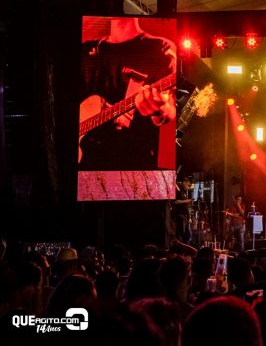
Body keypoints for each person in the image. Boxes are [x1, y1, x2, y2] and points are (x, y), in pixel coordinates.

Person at [79, 16, 176, 171]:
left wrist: (161, 108)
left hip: (133, 169)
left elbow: (171, 107)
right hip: (84, 167)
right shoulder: (86, 51)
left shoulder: (160, 48)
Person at [172, 177, 194, 244]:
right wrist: (187, 201)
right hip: (180, 215)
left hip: (185, 216)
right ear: (184, 182)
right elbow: (176, 202)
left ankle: (184, 246)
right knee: (181, 233)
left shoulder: (184, 192)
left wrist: (189, 217)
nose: (188, 187)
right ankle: (180, 246)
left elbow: (186, 207)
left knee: (187, 234)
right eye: (187, 185)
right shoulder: (178, 191)